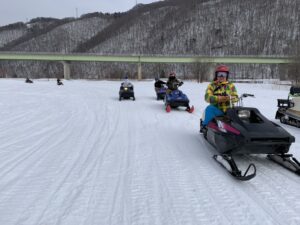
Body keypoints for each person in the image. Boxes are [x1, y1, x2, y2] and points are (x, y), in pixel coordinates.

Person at [201, 65, 238, 131]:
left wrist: (230, 98)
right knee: (209, 108)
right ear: (216, 75)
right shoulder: (212, 85)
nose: (221, 76)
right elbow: (207, 97)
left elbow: (236, 97)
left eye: (223, 74)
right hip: (217, 110)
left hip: (229, 111)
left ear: (227, 75)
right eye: (219, 74)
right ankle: (204, 126)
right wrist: (218, 98)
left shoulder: (231, 85)